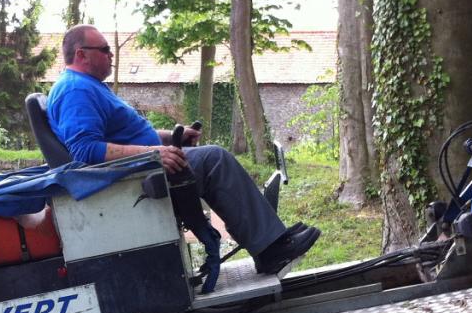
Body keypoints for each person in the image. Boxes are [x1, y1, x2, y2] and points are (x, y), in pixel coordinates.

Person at [46, 24, 319, 276]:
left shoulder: (89, 86)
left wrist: (170, 136)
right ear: (81, 54)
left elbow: (129, 135)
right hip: (133, 178)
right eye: (105, 50)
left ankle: (270, 240)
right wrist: (155, 154)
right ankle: (271, 250)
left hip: (145, 165)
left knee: (211, 158)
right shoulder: (75, 91)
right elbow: (84, 149)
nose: (111, 55)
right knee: (214, 159)